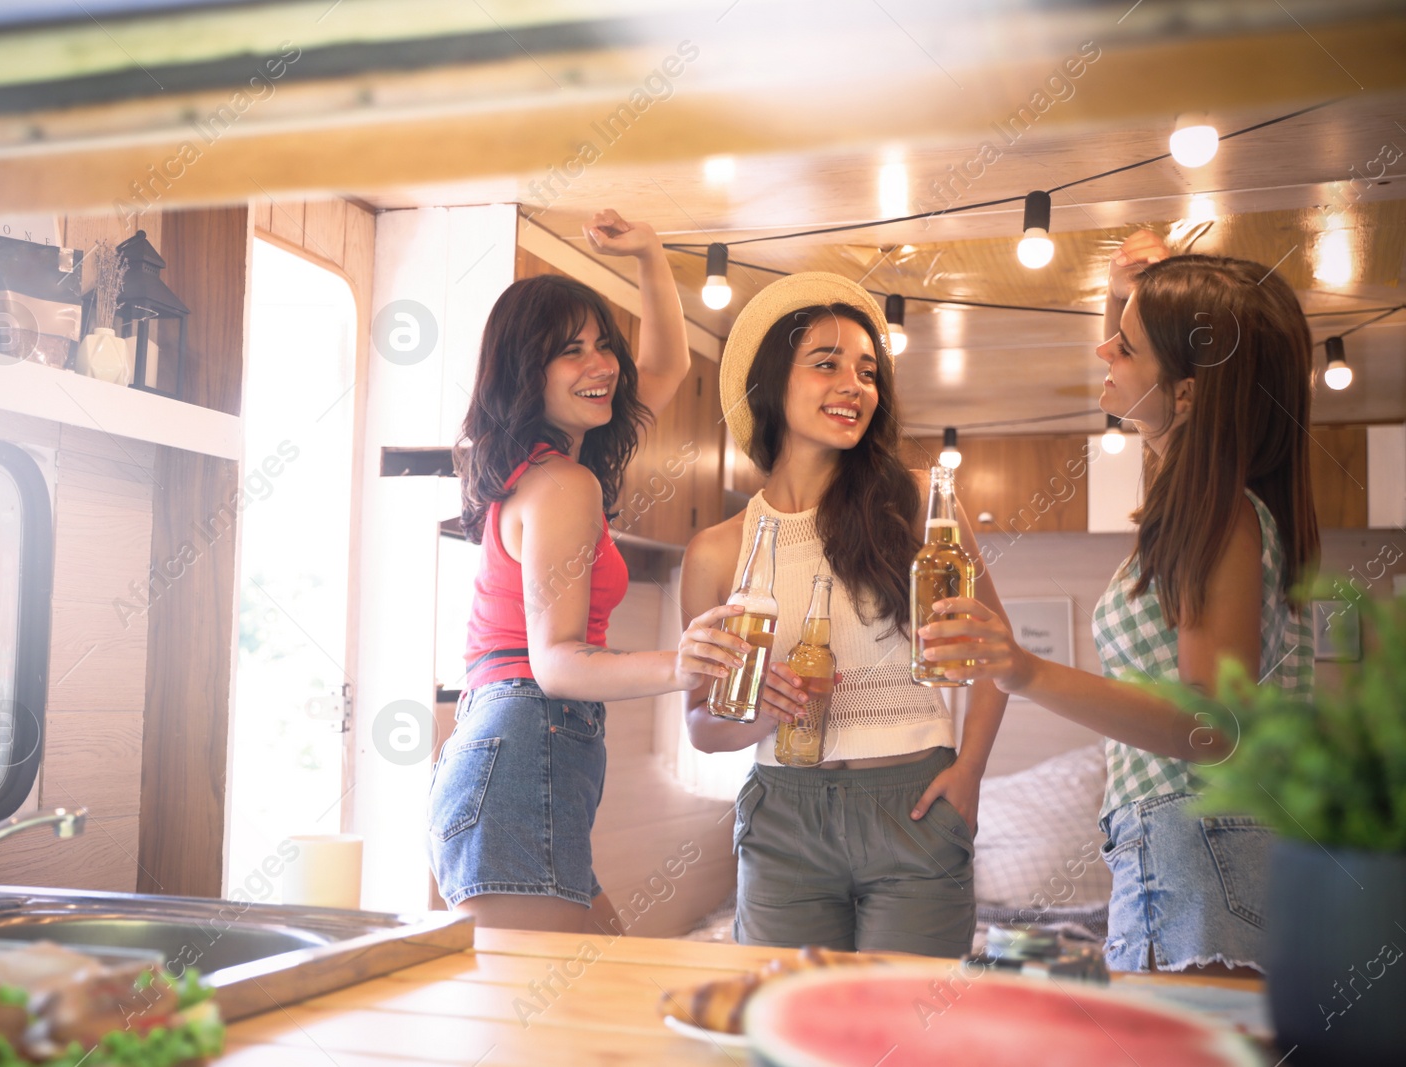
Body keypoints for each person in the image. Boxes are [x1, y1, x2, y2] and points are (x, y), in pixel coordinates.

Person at [921, 231, 1319, 973]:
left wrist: (1025, 669)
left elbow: (1212, 726)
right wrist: (1122, 300)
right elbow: (1158, 408)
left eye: (1125, 347)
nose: (1105, 352)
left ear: (1189, 392)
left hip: (1201, 850)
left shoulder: (1222, 516)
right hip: (1202, 849)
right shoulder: (1205, 502)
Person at [428, 209, 751, 934]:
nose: (602, 365)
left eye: (604, 345)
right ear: (525, 370)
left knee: (587, 993)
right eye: (572, 352)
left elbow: (667, 366)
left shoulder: (548, 473)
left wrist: (650, 253)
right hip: (521, 748)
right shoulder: (562, 487)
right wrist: (685, 661)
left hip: (511, 753)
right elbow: (557, 664)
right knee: (544, 1031)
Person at [680, 272, 1009, 955]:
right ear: (773, 382)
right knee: (789, 1042)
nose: (854, 385)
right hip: (783, 818)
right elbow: (703, 727)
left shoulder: (918, 503)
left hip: (916, 802)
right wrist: (768, 708)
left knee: (906, 1049)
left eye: (867, 371)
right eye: (826, 364)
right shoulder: (715, 551)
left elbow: (998, 656)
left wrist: (969, 771)